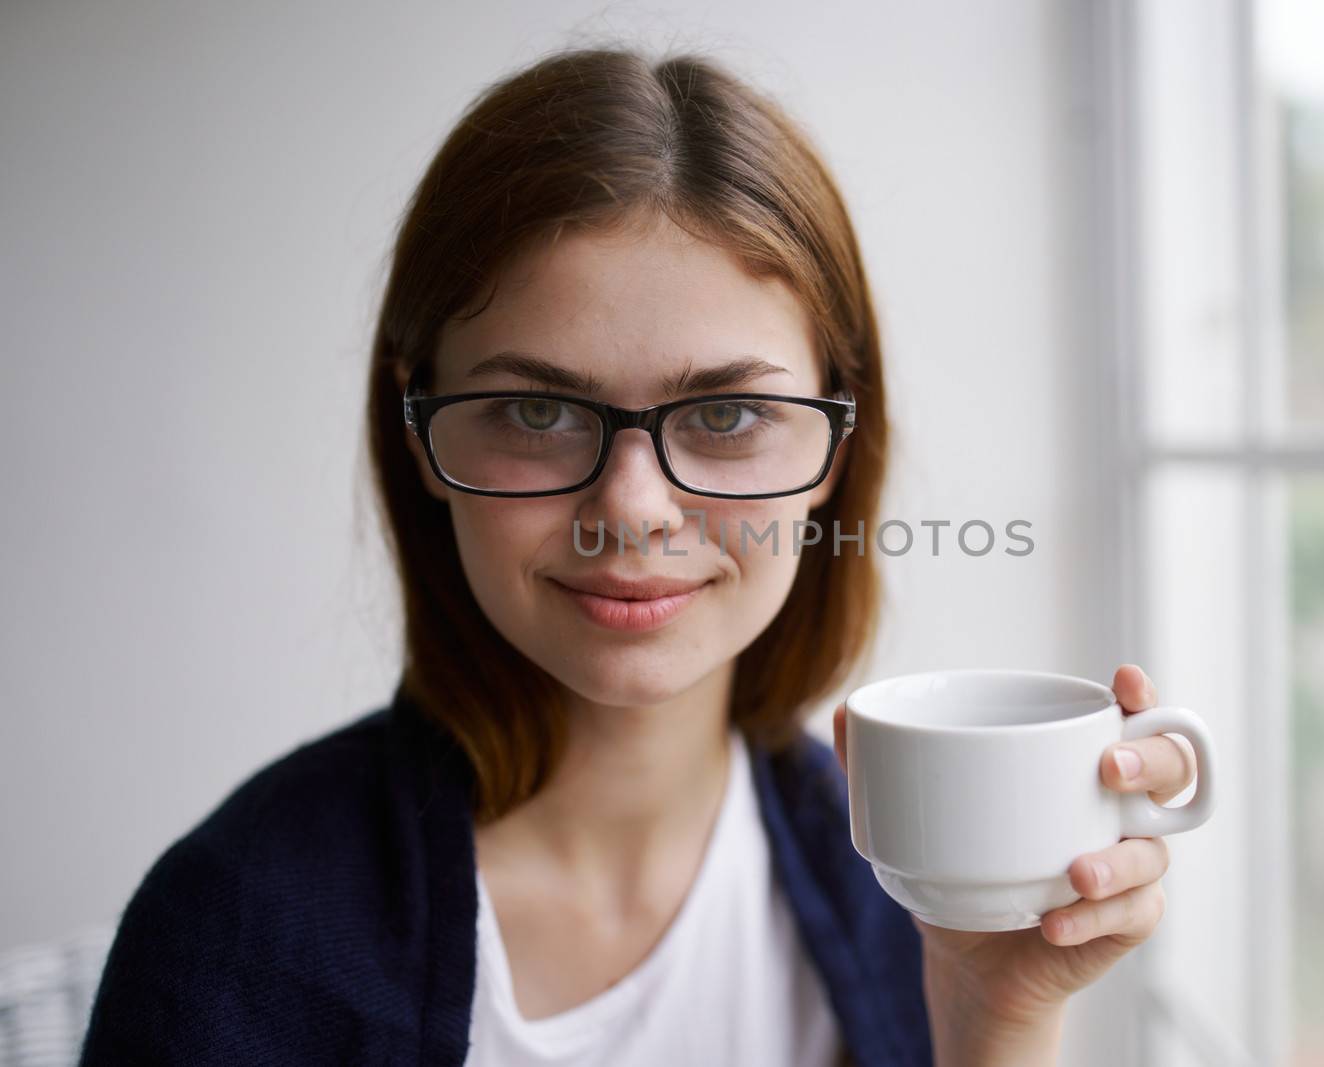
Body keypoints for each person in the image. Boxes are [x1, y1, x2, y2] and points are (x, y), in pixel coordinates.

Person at [77, 44, 1196, 1067]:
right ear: (417, 428)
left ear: (835, 448)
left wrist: (997, 1018)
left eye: (724, 416)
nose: (632, 511)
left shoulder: (884, 883)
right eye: (529, 411)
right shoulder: (239, 933)